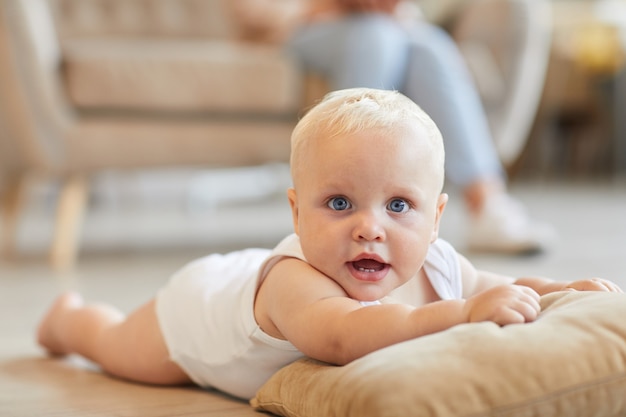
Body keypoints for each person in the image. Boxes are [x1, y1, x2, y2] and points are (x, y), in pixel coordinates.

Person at [36, 88, 622, 401]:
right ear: (296, 211)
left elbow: (494, 287)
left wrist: (555, 290)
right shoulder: (299, 282)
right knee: (118, 350)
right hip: (200, 314)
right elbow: (344, 337)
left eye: (399, 206)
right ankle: (71, 321)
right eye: (339, 204)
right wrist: (464, 314)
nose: (370, 228)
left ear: (437, 218)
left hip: (241, 284)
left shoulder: (438, 263)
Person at [230, 0, 555, 254]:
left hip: (381, 27)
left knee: (429, 45)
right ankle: (346, 196)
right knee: (376, 37)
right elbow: (250, 15)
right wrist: (327, 9)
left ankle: (485, 200)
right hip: (297, 29)